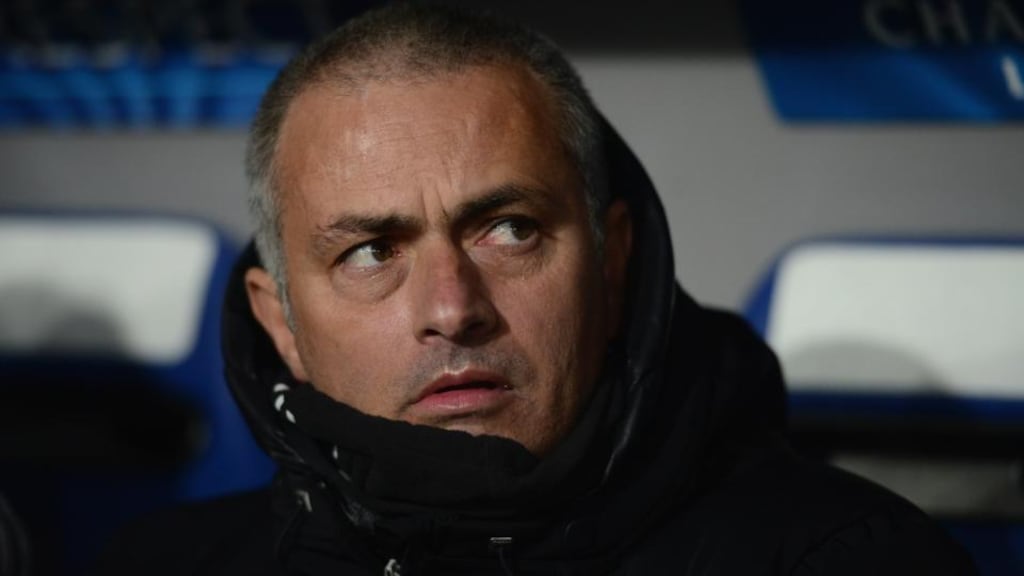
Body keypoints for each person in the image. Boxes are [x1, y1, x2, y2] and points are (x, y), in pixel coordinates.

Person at [98, 3, 977, 575]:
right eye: (371, 251)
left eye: (510, 230)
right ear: (281, 322)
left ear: (613, 261)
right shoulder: (155, 565)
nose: (452, 309)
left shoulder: (850, 559)